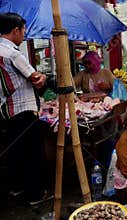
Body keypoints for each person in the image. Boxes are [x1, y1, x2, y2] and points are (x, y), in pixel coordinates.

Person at [0, 12, 52, 205]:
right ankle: (35, 195)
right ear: (15, 30)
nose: (24, 35)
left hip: (6, 111)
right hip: (23, 110)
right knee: (32, 154)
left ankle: (17, 189)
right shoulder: (13, 53)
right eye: (23, 30)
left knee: (15, 152)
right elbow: (36, 80)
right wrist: (44, 77)